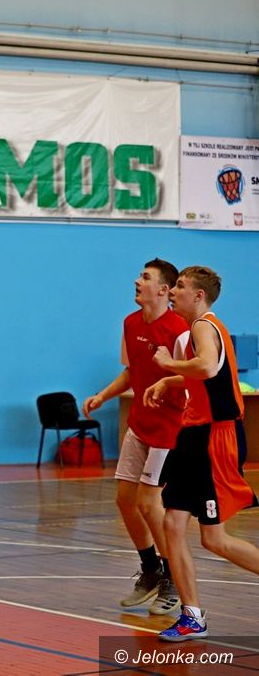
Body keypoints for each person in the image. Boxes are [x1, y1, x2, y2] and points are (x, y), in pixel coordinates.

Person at [144, 266, 259, 641]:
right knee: (172, 523)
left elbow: (207, 366)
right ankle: (192, 615)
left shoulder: (203, 327)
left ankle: (192, 614)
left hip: (215, 438)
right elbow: (207, 374)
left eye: (179, 286)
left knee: (214, 539)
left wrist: (167, 365)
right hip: (194, 436)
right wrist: (171, 379)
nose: (173, 291)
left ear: (198, 296)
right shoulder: (200, 330)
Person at [83, 259, 189, 616]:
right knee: (125, 500)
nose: (137, 281)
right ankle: (151, 569)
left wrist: (168, 383)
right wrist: (102, 395)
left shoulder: (179, 330)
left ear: (163, 289)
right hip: (140, 424)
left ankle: (173, 577)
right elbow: (132, 372)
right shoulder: (130, 323)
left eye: (145, 277)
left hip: (169, 427)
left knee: (148, 502)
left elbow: (194, 376)